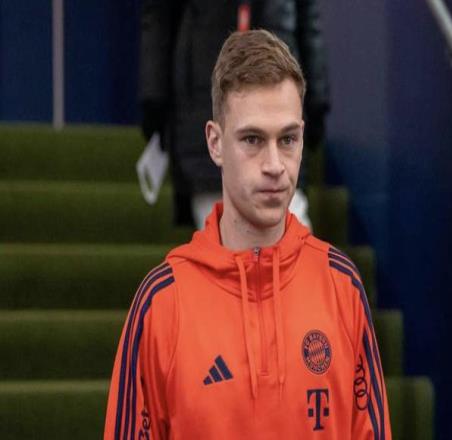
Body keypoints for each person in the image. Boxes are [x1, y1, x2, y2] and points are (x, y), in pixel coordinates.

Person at [105, 30, 391, 439]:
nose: (274, 164)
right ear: (215, 143)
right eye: (253, 140)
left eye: (287, 139)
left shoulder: (340, 285)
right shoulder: (162, 303)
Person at [140, 0, 329, 229]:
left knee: (289, 229)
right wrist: (154, 98)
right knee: (223, 227)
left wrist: (317, 100)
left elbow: (308, 19)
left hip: (278, 95)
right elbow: (159, 17)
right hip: (205, 101)